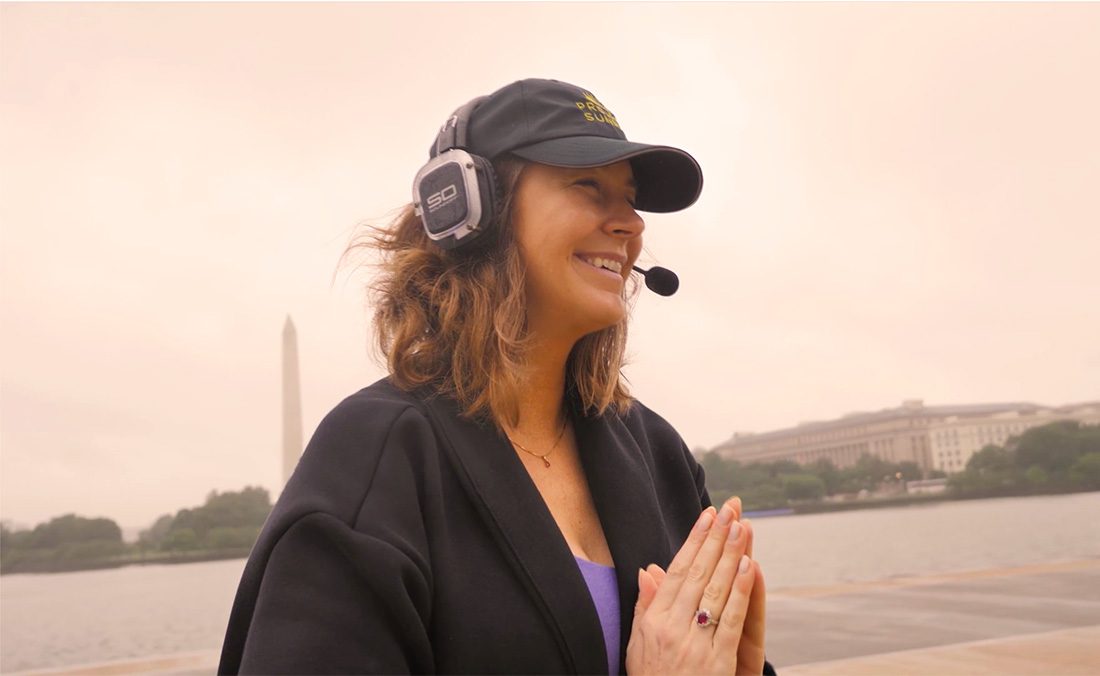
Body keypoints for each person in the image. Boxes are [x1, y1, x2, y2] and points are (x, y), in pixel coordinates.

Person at [218, 78, 771, 675]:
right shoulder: (376, 456)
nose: (630, 225)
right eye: (588, 185)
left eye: (631, 198)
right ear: (470, 210)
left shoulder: (656, 451)